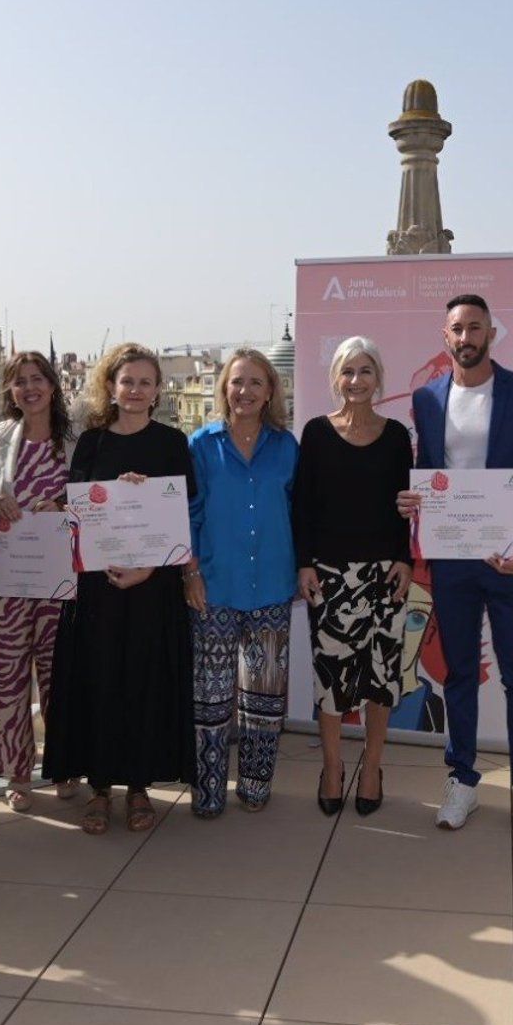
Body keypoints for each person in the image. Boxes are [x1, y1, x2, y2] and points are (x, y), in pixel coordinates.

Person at [397, 294, 513, 836]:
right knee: (458, 672)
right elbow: (428, 473)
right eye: (457, 330)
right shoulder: (427, 398)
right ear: (446, 337)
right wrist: (413, 505)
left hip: (509, 562)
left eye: (475, 328)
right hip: (452, 559)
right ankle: (462, 778)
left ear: (492, 333)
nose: (466, 338)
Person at [42, 343, 196, 834]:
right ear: (110, 386)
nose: (135, 390)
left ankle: (138, 787)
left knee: (144, 684)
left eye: (145, 382)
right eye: (126, 381)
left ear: (157, 391)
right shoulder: (92, 443)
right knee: (99, 681)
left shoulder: (172, 442)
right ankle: (100, 788)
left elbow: (179, 515)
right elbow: (80, 508)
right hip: (98, 585)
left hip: (152, 584)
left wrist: (149, 564)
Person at [294, 337, 413, 816]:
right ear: (335, 379)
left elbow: (410, 505)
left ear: (378, 378)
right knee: (332, 682)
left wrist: (406, 559)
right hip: (329, 576)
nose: (356, 381)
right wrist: (304, 563)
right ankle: (332, 767)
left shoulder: (397, 434)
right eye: (348, 372)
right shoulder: (317, 433)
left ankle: (370, 767)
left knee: (381, 681)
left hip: (387, 575)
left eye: (365, 371)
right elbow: (302, 504)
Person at [185, 348, 300, 816]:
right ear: (223, 388)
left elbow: (299, 511)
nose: (245, 391)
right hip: (213, 586)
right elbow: (188, 513)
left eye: (256, 382)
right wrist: (189, 571)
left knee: (265, 697)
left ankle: (254, 783)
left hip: (272, 585)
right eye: (236, 381)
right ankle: (208, 789)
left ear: (270, 390)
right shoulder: (200, 444)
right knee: (210, 699)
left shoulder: (287, 446)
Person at [0, 350, 76, 810]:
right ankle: (17, 771)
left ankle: (64, 763)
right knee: (6, 676)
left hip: (60, 581)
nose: (30, 388)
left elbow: (91, 501)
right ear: (10, 391)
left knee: (62, 676)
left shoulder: (75, 439)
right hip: (7, 581)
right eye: (20, 381)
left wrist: (63, 509)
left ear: (53, 386)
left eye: (38, 379)